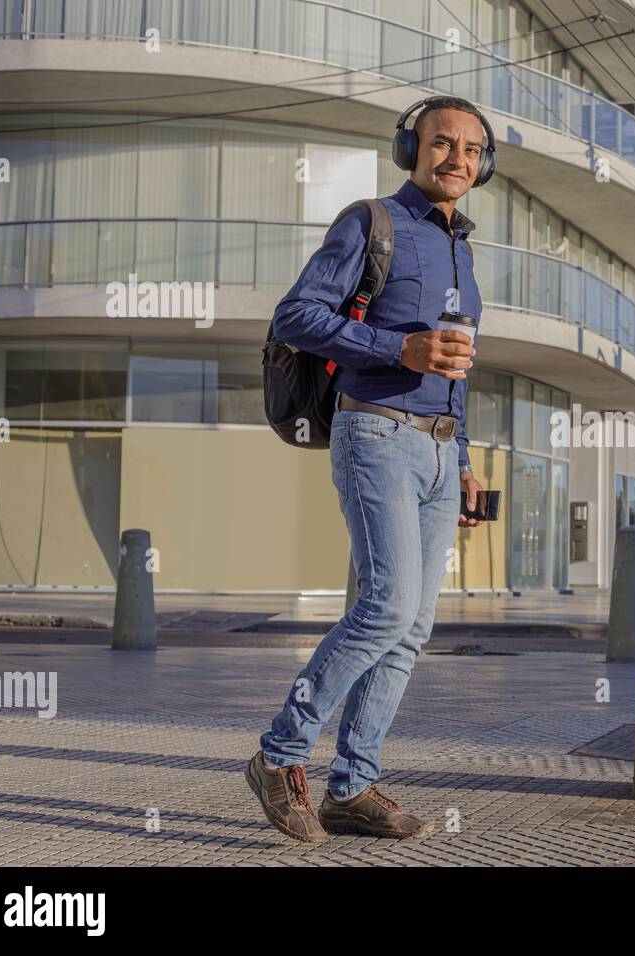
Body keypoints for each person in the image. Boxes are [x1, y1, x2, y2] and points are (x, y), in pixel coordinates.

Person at [246, 96, 491, 844]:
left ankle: (350, 787)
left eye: (472, 150)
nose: (457, 159)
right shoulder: (372, 222)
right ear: (409, 149)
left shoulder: (463, 250)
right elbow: (296, 315)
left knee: (412, 626)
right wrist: (398, 350)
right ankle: (279, 753)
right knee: (385, 606)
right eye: (441, 144)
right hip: (375, 431)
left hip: (441, 449)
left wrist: (467, 455)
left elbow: (456, 363)